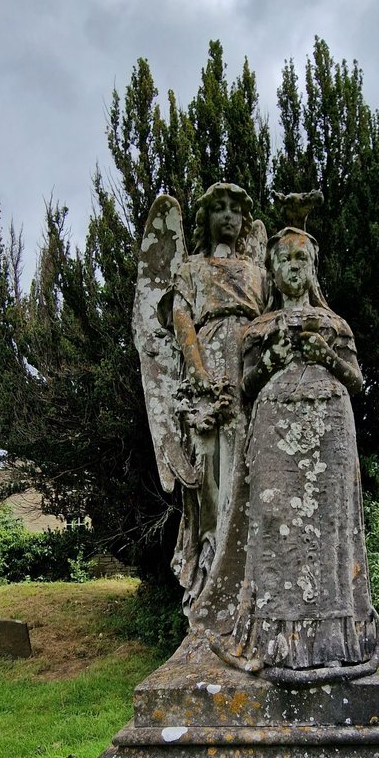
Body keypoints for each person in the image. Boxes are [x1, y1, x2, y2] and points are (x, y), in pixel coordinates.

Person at [217, 226, 379, 683]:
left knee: (330, 528)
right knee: (273, 525)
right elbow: (246, 386)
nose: (293, 266)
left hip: (330, 428)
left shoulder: (336, 325)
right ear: (272, 269)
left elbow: (355, 380)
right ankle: (275, 640)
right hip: (274, 428)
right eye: (285, 259)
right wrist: (277, 356)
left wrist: (325, 353)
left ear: (312, 268)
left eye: (301, 259)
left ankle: (331, 640)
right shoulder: (258, 328)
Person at [167, 182, 267, 608]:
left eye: (235, 210)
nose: (228, 216)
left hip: (250, 365)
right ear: (206, 218)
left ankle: (250, 579)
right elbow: (181, 317)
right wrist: (200, 372)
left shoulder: (258, 272)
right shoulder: (190, 268)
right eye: (219, 209)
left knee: (251, 468)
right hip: (208, 369)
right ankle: (209, 578)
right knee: (209, 476)